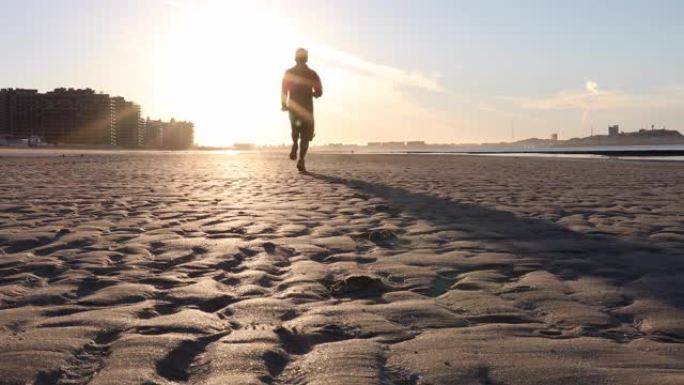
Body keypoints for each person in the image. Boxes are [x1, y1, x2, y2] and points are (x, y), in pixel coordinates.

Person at [281, 48, 322, 172]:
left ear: (295, 58)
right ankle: (301, 159)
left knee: (295, 128)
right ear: (306, 58)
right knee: (306, 136)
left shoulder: (289, 72)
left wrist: (284, 104)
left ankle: (294, 144)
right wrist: (315, 94)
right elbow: (319, 91)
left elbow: (284, 90)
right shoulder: (312, 73)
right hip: (307, 109)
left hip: (293, 108)